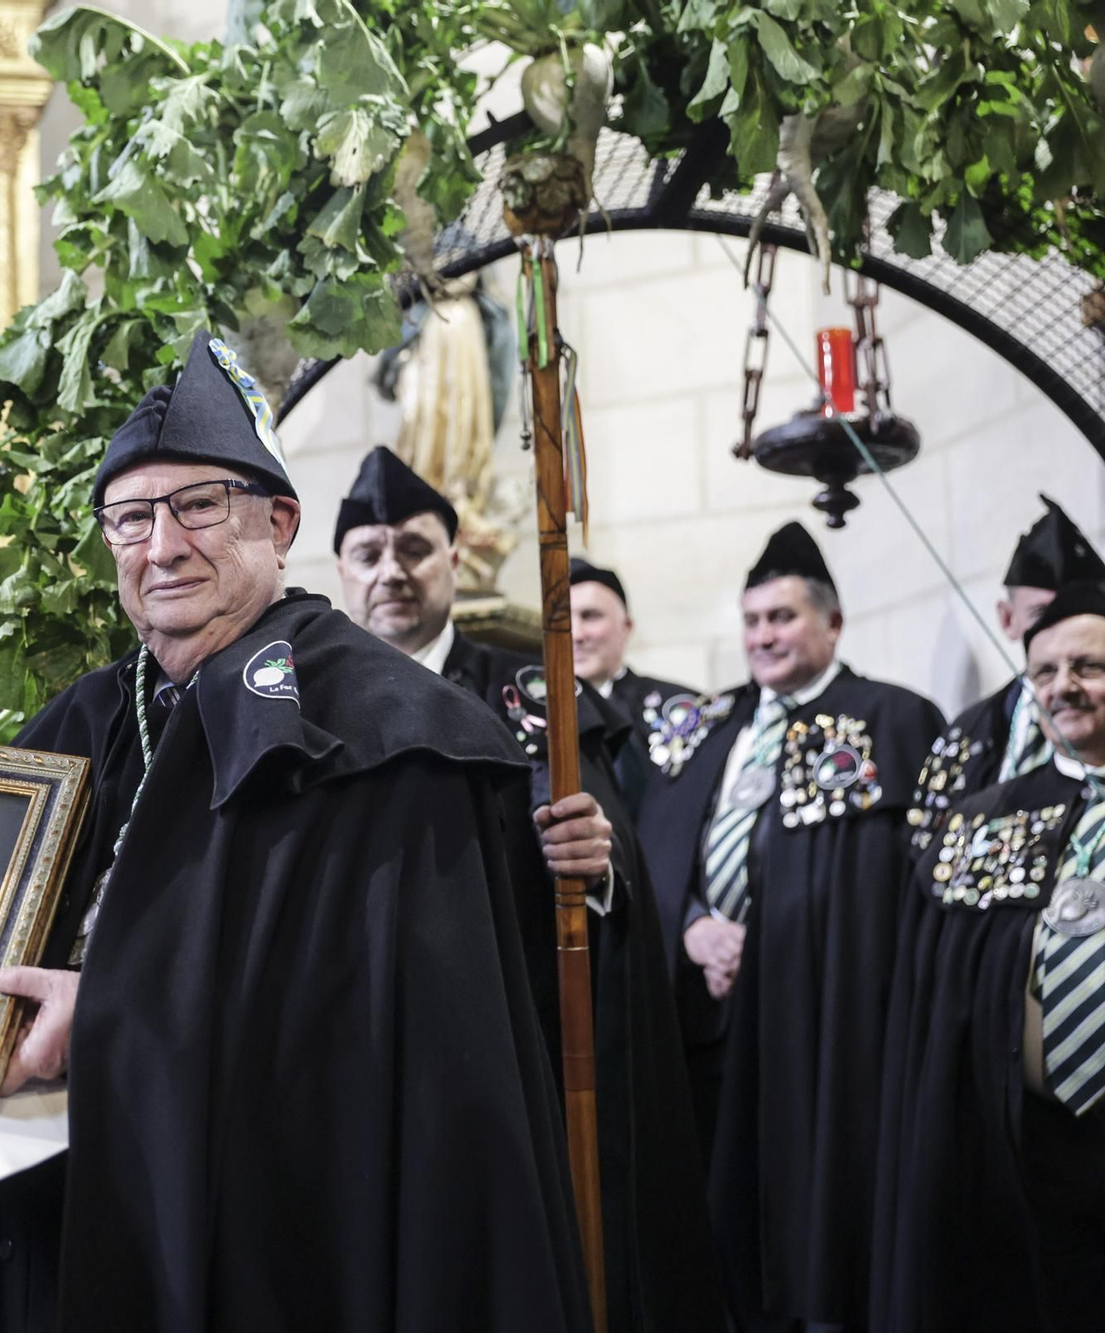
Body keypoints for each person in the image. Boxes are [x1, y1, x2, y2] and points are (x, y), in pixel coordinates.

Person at [0, 332, 590, 1331]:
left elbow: (371, 1042)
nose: (162, 545)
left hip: (290, 1238)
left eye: (197, 507)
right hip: (81, 1196)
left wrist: (107, 1019)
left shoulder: (390, 730)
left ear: (278, 522)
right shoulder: (78, 722)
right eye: (129, 519)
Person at [335, 442, 724, 1333]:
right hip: (366, 1043)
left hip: (517, 1044)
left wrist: (600, 859)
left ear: (455, 558)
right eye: (369, 552)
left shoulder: (531, 689)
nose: (392, 570)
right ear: (342, 571)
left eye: (415, 548)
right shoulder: (312, 707)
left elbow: (605, 832)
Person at [638, 521, 944, 1332]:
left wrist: (775, 943)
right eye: (752, 621)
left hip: (827, 1031)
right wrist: (691, 925)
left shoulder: (895, 718)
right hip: (709, 1018)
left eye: (782, 617)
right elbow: (657, 848)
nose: (763, 636)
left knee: (821, 1217)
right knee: (718, 1212)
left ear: (832, 623)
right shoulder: (708, 726)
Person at [871, 581, 1105, 1333]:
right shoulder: (983, 818)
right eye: (1044, 670)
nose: (1063, 685)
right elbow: (940, 995)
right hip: (1024, 1144)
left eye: (1088, 665)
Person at [910, 496, 1105, 845]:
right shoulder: (967, 736)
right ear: (1006, 618)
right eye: (1042, 615)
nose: (1061, 625)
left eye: (1080, 610)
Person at [570, 557, 697, 815]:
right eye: (562, 620)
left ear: (626, 626)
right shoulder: (527, 717)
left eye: (590, 616)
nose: (576, 634)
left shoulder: (681, 708)